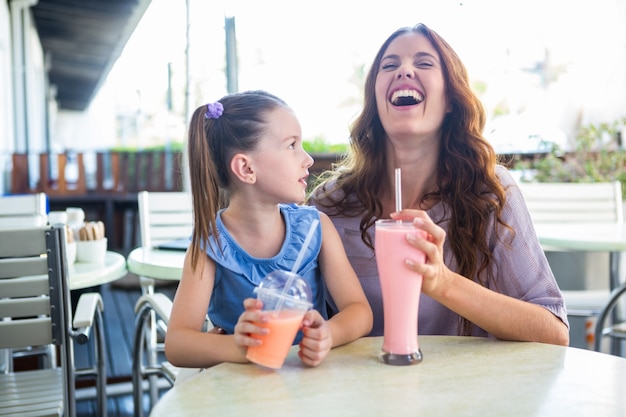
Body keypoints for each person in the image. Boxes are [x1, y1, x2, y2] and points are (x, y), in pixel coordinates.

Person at [308, 23, 570, 345]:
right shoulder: (330, 204)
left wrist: (442, 282)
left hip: (462, 390)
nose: (404, 70)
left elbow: (554, 331)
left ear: (450, 99)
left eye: (424, 62)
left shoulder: (490, 192)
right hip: (362, 390)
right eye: (389, 65)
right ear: (375, 100)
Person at [165, 90, 373, 369]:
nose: (308, 159)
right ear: (246, 168)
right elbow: (177, 344)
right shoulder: (211, 244)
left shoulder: (315, 229)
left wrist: (329, 334)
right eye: (292, 145)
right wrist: (238, 346)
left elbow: (359, 311)